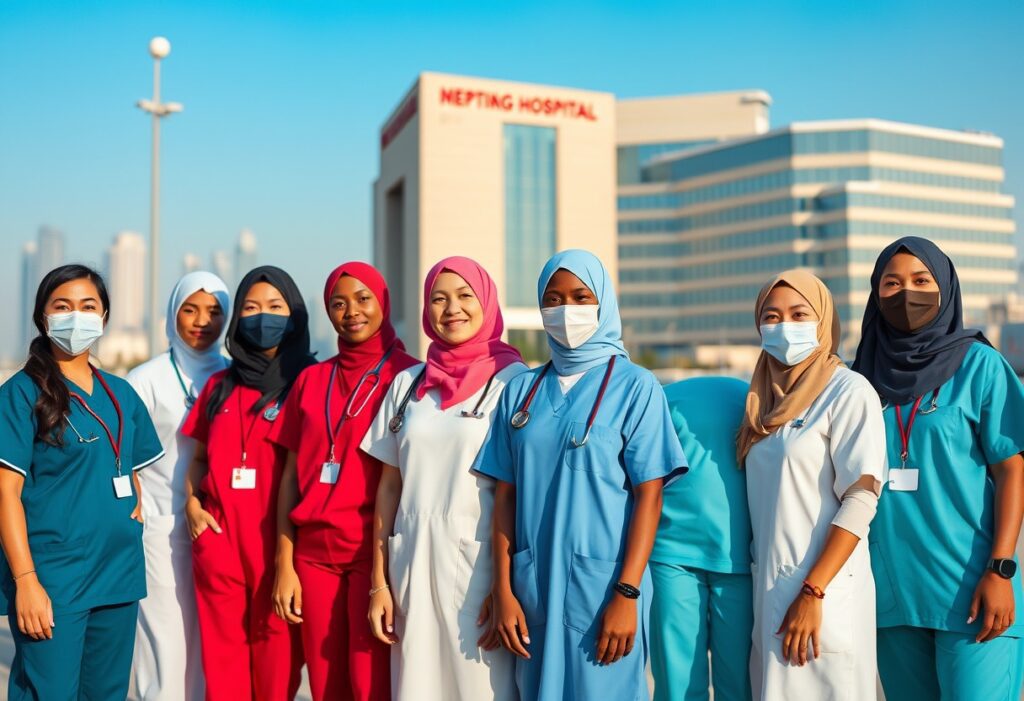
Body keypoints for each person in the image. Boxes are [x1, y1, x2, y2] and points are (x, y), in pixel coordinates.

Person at [475, 249, 687, 701]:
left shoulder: (636, 386)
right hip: (533, 587)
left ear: (602, 302)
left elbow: (650, 496)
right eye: (552, 299)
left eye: (579, 297)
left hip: (606, 589)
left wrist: (627, 593)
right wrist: (503, 588)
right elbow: (505, 497)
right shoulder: (521, 391)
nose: (565, 310)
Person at [852, 236, 1024, 700]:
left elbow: (1012, 470)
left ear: (945, 288)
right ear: (875, 293)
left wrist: (1002, 568)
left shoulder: (980, 366)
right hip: (891, 596)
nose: (906, 293)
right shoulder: (860, 378)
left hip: (973, 589)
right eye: (891, 283)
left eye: (921, 280)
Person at [362, 256, 526, 700]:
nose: (452, 308)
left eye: (464, 295)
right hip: (411, 564)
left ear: (486, 302)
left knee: (480, 688)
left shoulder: (514, 382)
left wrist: (505, 585)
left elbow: (521, 493)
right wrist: (379, 582)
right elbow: (389, 487)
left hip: (481, 570)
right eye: (438, 298)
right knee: (416, 685)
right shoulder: (407, 385)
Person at [0, 264, 164, 700]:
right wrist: (26, 581)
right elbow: (5, 494)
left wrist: (134, 493)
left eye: (88, 306)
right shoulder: (20, 394)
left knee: (107, 693)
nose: (76, 316)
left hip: (118, 572)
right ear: (42, 317)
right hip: (55, 577)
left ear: (104, 317)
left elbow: (128, 462)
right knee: (49, 692)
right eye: (63, 306)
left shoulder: (120, 393)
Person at [270, 262, 418, 701]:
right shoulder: (311, 380)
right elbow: (289, 478)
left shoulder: (410, 378)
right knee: (326, 685)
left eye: (363, 299)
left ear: (383, 302)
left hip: (375, 557)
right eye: (338, 303)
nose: (351, 311)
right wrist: (284, 563)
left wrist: (382, 575)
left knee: (371, 683)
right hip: (314, 559)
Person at [739, 269, 885, 700]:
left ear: (822, 320)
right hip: (771, 591)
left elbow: (861, 498)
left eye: (799, 314)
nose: (784, 325)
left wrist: (813, 590)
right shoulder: (761, 402)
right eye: (771, 316)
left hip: (823, 594)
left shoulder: (848, 391)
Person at [183, 266, 313, 700]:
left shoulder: (308, 382)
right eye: (251, 307)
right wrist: (192, 506)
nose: (262, 317)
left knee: (278, 668)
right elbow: (198, 459)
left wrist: (287, 559)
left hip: (281, 548)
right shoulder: (219, 385)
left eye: (275, 306)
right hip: (220, 543)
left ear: (295, 314)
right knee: (223, 669)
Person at [128, 271, 230, 701]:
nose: (202, 321)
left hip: (216, 528)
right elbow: (122, 453)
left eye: (214, 311)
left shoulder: (232, 374)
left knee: (207, 643)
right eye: (190, 310)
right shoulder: (145, 378)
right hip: (160, 529)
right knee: (164, 643)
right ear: (173, 313)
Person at [650, 376, 752, 701]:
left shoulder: (662, 400)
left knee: (678, 686)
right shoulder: (752, 398)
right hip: (709, 553)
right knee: (739, 686)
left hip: (692, 554)